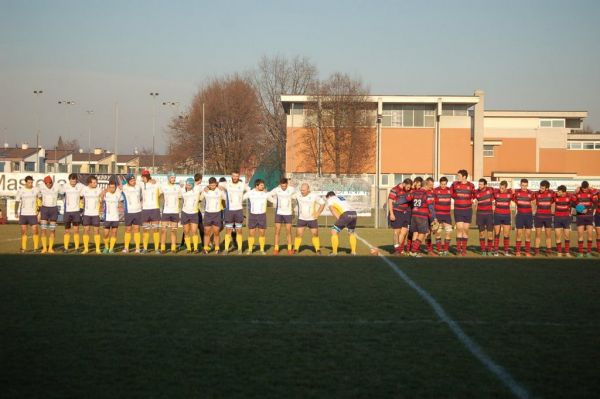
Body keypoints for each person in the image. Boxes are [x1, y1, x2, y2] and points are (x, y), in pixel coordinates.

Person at [407, 177, 436, 257]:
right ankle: (413, 251)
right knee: (422, 233)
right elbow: (431, 207)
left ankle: (413, 251)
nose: (431, 186)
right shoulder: (427, 193)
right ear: (426, 185)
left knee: (416, 233)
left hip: (414, 215)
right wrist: (434, 219)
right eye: (429, 185)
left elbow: (407, 198)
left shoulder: (414, 192)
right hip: (422, 216)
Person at [293, 183, 326, 254]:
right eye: (301, 190)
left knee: (315, 234)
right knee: (298, 234)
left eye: (304, 190)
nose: (302, 192)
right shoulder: (297, 195)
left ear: (308, 190)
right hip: (301, 219)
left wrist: (318, 213)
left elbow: (323, 203)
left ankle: (317, 249)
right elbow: (289, 196)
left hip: (312, 219)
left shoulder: (314, 196)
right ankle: (296, 249)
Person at [222, 171, 250, 254]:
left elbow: (250, 190)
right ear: (231, 176)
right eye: (233, 176)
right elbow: (216, 185)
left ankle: (239, 249)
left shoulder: (242, 185)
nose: (235, 178)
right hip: (229, 210)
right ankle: (226, 249)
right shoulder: (227, 184)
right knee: (228, 230)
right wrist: (208, 187)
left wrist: (242, 198)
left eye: (237, 176)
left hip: (238, 210)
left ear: (239, 177)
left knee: (239, 230)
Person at [243, 179, 271, 254]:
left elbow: (273, 200)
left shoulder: (265, 194)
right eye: (261, 185)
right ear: (256, 186)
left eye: (263, 185)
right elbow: (241, 198)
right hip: (253, 215)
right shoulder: (250, 193)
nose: (263, 186)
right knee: (251, 233)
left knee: (262, 233)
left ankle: (262, 250)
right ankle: (250, 249)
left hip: (262, 215)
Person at [325, 191, 358, 256]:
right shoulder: (341, 197)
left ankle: (334, 252)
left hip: (346, 214)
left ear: (329, 196)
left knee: (334, 231)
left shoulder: (330, 199)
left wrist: (339, 218)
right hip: (354, 214)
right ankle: (353, 252)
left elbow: (332, 209)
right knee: (351, 232)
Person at [269, 177, 296, 255]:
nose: (283, 187)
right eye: (282, 186)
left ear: (287, 184)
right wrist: (275, 201)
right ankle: (276, 248)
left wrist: (292, 201)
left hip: (288, 213)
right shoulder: (277, 189)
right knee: (277, 231)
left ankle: (289, 248)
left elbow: (296, 196)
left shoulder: (292, 189)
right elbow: (268, 195)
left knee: (288, 231)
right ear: (280, 185)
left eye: (285, 186)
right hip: (279, 213)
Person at [451, 169, 475, 256]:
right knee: (459, 229)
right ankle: (458, 249)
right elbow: (452, 194)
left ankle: (463, 249)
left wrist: (471, 200)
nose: (457, 177)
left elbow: (474, 195)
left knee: (466, 230)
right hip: (458, 210)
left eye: (459, 176)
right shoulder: (454, 185)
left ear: (464, 177)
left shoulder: (471, 185)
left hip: (468, 210)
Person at [60, 173, 85, 252]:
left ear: (76, 180)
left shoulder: (80, 186)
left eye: (74, 180)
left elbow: (85, 191)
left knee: (76, 229)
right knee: (67, 229)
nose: (73, 181)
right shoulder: (65, 186)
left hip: (76, 211)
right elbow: (59, 192)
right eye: (72, 180)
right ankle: (66, 248)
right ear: (69, 180)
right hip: (67, 211)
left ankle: (77, 248)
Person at [201, 177, 226, 254]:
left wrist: (222, 189)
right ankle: (205, 248)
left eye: (214, 185)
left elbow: (225, 198)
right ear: (209, 184)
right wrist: (204, 189)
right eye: (211, 185)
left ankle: (217, 249)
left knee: (216, 232)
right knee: (207, 232)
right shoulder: (205, 191)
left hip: (217, 214)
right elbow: (200, 198)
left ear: (216, 184)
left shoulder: (220, 190)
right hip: (208, 214)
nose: (212, 186)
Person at [15, 175, 40, 252]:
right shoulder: (21, 190)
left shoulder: (36, 190)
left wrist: (39, 211)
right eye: (29, 182)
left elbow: (40, 199)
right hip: (23, 214)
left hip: (33, 213)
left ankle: (36, 248)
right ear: (25, 182)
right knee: (23, 231)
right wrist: (16, 211)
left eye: (32, 182)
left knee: (35, 230)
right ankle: (23, 248)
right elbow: (17, 201)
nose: (30, 184)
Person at [388, 178, 413, 256]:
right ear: (404, 184)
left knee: (404, 232)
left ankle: (400, 250)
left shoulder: (410, 190)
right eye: (408, 187)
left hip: (406, 214)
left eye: (410, 187)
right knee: (397, 232)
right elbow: (390, 201)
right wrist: (392, 213)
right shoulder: (394, 190)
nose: (409, 189)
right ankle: (396, 250)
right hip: (396, 213)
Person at [80, 175, 103, 254]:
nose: (96, 184)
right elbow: (81, 198)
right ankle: (86, 249)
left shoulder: (99, 190)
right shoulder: (84, 189)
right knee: (86, 230)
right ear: (89, 183)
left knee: (96, 230)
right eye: (94, 182)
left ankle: (97, 249)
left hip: (95, 214)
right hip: (86, 213)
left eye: (96, 182)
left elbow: (102, 198)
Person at [37, 175, 60, 253]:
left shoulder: (57, 186)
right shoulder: (40, 186)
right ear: (44, 183)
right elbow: (38, 196)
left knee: (52, 229)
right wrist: (39, 211)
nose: (49, 184)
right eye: (47, 183)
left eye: (50, 183)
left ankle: (50, 248)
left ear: (52, 182)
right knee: (43, 229)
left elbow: (65, 192)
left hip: (53, 209)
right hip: (44, 209)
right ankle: (44, 248)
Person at [140, 170, 161, 253]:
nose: (143, 178)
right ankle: (145, 248)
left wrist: (155, 181)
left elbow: (162, 192)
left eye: (145, 176)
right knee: (146, 229)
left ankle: (156, 249)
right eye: (142, 176)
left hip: (155, 209)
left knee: (156, 229)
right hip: (145, 210)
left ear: (148, 176)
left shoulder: (156, 184)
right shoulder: (141, 184)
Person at [513, 178, 536, 257]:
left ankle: (527, 252)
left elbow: (534, 203)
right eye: (522, 185)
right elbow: (512, 197)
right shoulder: (516, 192)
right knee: (519, 234)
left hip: (528, 216)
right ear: (520, 185)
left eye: (525, 185)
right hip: (520, 215)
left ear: (527, 185)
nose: (524, 187)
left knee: (528, 234)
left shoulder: (531, 193)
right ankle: (518, 251)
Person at [160, 172, 182, 253]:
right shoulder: (163, 187)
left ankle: (173, 248)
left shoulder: (178, 187)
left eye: (174, 177)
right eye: (172, 177)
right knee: (163, 230)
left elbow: (181, 196)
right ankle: (162, 248)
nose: (174, 179)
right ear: (169, 178)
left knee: (174, 230)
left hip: (175, 212)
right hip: (166, 211)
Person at [120, 174, 142, 253]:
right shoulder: (124, 187)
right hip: (128, 212)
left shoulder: (139, 186)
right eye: (132, 181)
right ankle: (126, 248)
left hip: (138, 211)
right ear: (128, 181)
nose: (134, 182)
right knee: (128, 229)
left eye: (134, 180)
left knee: (137, 229)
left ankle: (137, 248)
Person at [572, 181, 594, 258]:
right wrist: (580, 209)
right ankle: (580, 253)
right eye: (583, 189)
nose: (584, 190)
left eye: (586, 189)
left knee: (590, 235)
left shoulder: (592, 192)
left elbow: (595, 202)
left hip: (589, 216)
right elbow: (573, 203)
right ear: (581, 187)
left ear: (588, 187)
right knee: (580, 235)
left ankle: (588, 252)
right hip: (580, 216)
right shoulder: (577, 193)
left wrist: (587, 210)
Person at [474, 178, 495, 256]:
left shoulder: (491, 190)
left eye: (481, 184)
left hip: (489, 214)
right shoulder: (476, 192)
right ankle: (483, 250)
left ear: (485, 185)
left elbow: (501, 190)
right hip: (480, 215)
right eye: (479, 184)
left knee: (490, 233)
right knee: (481, 233)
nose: (479, 186)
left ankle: (489, 250)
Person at [533, 180, 555, 256]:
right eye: (540, 187)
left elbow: (562, 194)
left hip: (548, 217)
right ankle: (536, 251)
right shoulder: (536, 193)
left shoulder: (552, 193)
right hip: (538, 217)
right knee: (537, 235)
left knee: (548, 235)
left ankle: (548, 251)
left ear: (547, 188)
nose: (541, 189)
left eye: (542, 188)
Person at [180, 177, 202, 253]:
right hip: (185, 213)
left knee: (194, 231)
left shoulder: (197, 189)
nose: (187, 186)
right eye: (187, 184)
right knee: (186, 231)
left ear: (192, 185)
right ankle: (189, 248)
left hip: (194, 213)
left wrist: (208, 187)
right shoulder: (182, 189)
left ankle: (195, 248)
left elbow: (205, 186)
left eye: (189, 185)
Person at [492, 181, 513, 256]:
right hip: (497, 215)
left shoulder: (510, 194)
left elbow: (514, 192)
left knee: (506, 234)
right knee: (497, 234)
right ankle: (496, 251)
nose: (501, 189)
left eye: (502, 188)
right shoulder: (496, 193)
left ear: (506, 188)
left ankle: (506, 251)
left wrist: (511, 190)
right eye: (500, 187)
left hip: (506, 215)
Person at [433, 177, 452, 256]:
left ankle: (446, 250)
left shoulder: (450, 190)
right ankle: (439, 250)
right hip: (438, 215)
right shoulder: (435, 190)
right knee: (438, 233)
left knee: (448, 232)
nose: (443, 185)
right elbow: (432, 203)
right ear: (439, 183)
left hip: (447, 215)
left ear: (446, 184)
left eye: (444, 184)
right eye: (442, 184)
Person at [101, 178, 121, 254]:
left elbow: (122, 187)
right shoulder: (106, 193)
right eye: (111, 187)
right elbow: (101, 198)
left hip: (115, 217)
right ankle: (106, 247)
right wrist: (104, 192)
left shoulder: (118, 194)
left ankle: (111, 249)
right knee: (106, 234)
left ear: (115, 187)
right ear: (108, 187)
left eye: (113, 187)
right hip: (107, 217)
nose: (112, 188)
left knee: (114, 233)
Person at [553, 185, 573, 257]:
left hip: (566, 218)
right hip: (557, 218)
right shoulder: (555, 196)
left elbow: (575, 204)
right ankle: (559, 252)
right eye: (557, 191)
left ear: (564, 192)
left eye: (559, 191)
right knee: (558, 236)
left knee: (567, 236)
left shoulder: (570, 197)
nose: (557, 192)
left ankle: (567, 252)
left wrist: (583, 209)